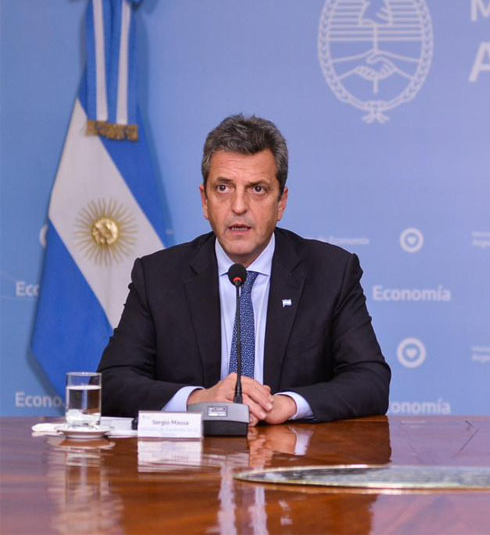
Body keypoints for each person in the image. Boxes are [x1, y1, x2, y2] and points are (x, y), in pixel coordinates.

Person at [98, 114, 390, 424]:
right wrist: (198, 400)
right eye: (223, 188)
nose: (238, 206)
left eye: (257, 189)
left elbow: (370, 380)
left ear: (281, 203)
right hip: (194, 453)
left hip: (291, 451)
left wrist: (288, 404)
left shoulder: (331, 273)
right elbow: (113, 383)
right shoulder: (158, 276)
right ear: (205, 201)